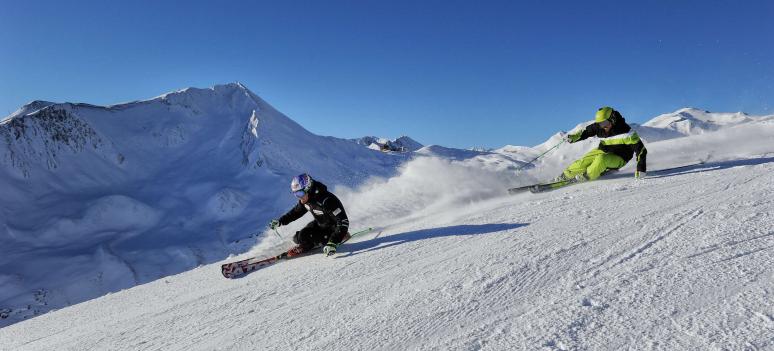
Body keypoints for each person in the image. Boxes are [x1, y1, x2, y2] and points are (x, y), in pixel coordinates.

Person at [555, 107, 647, 182]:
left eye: (605, 123)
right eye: (600, 124)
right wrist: (574, 137)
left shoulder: (626, 132)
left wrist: (640, 169)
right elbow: (586, 132)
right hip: (604, 150)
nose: (603, 126)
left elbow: (641, 150)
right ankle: (564, 176)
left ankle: (586, 176)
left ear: (612, 119)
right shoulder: (600, 127)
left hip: (620, 157)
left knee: (601, 159)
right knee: (583, 161)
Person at [270, 173, 350, 257]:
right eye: (296, 194)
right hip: (320, 224)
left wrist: (333, 241)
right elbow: (296, 212)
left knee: (308, 238)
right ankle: (309, 244)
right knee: (298, 238)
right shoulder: (307, 199)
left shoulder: (327, 201)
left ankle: (342, 236)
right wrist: (280, 221)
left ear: (308, 189)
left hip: (333, 229)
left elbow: (343, 221)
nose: (299, 197)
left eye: (300, 194)